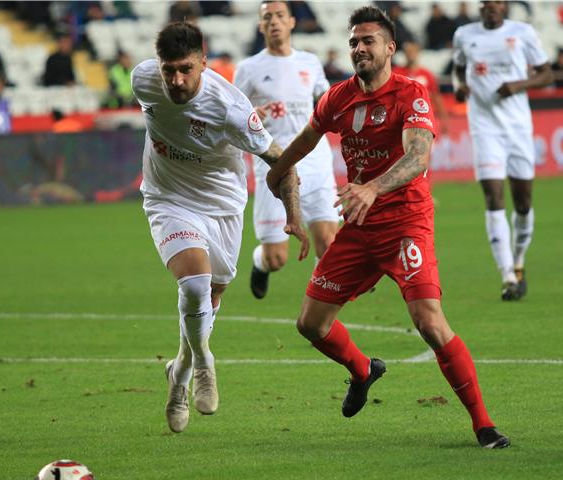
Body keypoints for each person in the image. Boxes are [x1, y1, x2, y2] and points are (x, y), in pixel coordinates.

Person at [267, 5, 510, 449]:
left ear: (390, 48)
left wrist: (373, 187)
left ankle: (484, 425)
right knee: (310, 323)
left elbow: (418, 157)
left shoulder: (410, 95)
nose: (359, 48)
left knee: (429, 321)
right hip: (360, 226)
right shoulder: (338, 97)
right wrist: (276, 173)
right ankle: (362, 371)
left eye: (368, 41)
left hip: (405, 224)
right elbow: (305, 140)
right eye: (354, 42)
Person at [131, 21, 308, 433]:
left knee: (212, 292)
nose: (175, 80)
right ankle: (205, 363)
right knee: (194, 283)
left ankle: (179, 373)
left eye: (185, 70)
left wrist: (293, 217)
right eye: (168, 69)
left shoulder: (229, 108)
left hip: (222, 206)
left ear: (204, 63)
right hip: (167, 199)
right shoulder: (143, 80)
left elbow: (281, 163)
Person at [234, 1, 339, 300]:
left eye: (280, 16)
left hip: (315, 158)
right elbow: (232, 115)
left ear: (292, 22)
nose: (274, 22)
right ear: (260, 26)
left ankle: (321, 312)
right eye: (268, 17)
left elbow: (325, 102)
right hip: (275, 164)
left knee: (328, 245)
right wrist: (254, 114)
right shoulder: (248, 69)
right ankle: (260, 263)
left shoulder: (309, 62)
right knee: (277, 257)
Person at [452, 1, 552, 301]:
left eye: (496, 2)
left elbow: (547, 74)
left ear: (504, 6)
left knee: (523, 202)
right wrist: (460, 86)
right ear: (480, 7)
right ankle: (507, 274)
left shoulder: (523, 32)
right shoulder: (464, 35)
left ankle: (519, 260)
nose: (491, 7)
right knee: (493, 196)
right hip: (484, 127)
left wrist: (518, 84)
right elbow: (458, 69)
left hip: (518, 128)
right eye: (485, 3)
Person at [393, 41, 450, 134]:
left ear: (418, 52)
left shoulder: (427, 74)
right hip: (402, 120)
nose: (410, 54)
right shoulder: (397, 74)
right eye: (408, 52)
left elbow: (436, 97)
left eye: (413, 51)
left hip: (423, 120)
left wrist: (444, 120)